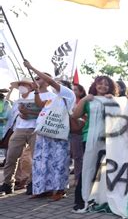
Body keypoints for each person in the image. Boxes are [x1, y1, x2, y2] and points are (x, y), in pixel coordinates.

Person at [24, 60, 76, 201]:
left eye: (57, 83)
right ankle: (44, 189)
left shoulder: (68, 95)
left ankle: (59, 189)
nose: (55, 84)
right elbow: (40, 104)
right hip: (44, 133)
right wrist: (35, 90)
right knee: (43, 161)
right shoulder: (53, 99)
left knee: (59, 161)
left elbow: (49, 81)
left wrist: (32, 67)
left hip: (58, 133)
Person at [0, 76, 54, 196]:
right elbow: (13, 116)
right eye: (20, 85)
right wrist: (21, 115)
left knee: (36, 158)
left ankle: (32, 183)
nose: (21, 87)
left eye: (24, 84)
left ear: (31, 86)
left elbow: (46, 112)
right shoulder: (19, 100)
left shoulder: (39, 96)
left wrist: (29, 113)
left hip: (36, 129)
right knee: (11, 157)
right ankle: (8, 184)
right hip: (19, 129)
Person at [72, 76, 117, 212]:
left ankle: (101, 197)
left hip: (109, 139)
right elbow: (75, 115)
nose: (103, 86)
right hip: (90, 139)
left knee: (104, 169)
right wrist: (84, 99)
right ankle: (81, 199)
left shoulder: (113, 100)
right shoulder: (88, 100)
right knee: (88, 168)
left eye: (106, 84)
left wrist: (114, 101)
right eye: (100, 84)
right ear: (95, 85)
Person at [71, 83, 87, 185]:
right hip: (72, 132)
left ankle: (81, 178)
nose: (73, 92)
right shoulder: (69, 101)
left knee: (81, 156)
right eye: (72, 90)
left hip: (83, 131)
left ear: (81, 92)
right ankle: (77, 178)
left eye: (76, 90)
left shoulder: (85, 102)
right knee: (76, 156)